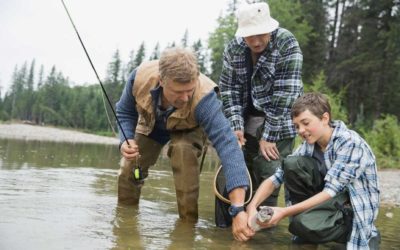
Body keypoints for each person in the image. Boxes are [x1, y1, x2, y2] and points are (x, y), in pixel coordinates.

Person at [115, 47, 254, 241]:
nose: (185, 98)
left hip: (189, 127)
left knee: (183, 152)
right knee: (129, 166)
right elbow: (124, 112)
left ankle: (187, 229)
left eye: (190, 90)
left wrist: (238, 208)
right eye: (178, 92)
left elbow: (228, 145)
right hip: (152, 123)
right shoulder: (139, 78)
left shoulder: (205, 99)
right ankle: (125, 221)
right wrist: (126, 139)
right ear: (162, 81)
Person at [246, 92, 380, 249]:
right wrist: (251, 206)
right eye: (297, 126)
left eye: (306, 123)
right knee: (291, 164)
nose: (301, 130)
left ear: (325, 118)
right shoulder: (308, 146)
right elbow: (275, 178)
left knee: (300, 224)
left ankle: (347, 234)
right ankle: (309, 230)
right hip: (332, 203)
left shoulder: (350, 143)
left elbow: (330, 192)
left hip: (353, 213)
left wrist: (283, 212)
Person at [219, 2, 303, 206]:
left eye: (261, 34)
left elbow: (286, 94)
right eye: (250, 36)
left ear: (270, 28)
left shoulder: (286, 43)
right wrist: (235, 126)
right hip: (245, 118)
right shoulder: (233, 49)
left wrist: (269, 136)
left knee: (269, 171)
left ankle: (263, 229)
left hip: (279, 122)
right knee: (238, 170)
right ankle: (234, 221)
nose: (256, 42)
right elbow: (228, 89)